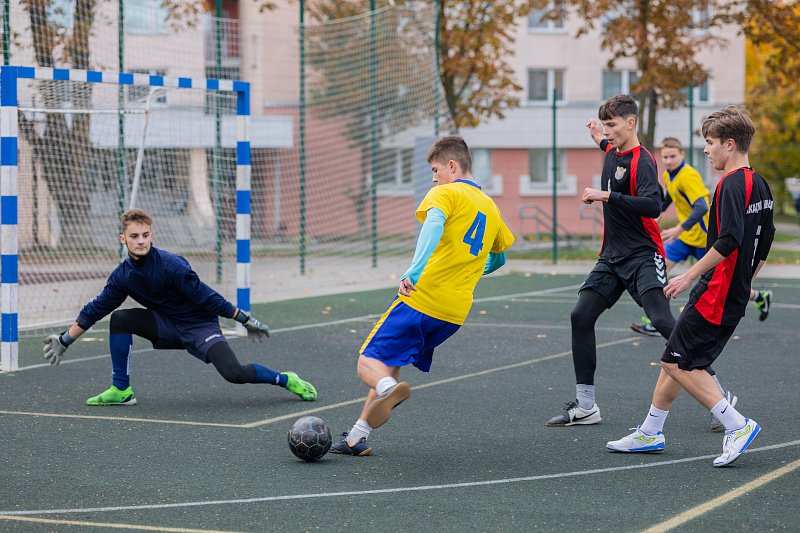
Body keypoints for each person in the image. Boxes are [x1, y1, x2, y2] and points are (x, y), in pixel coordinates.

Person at [546, 95, 734, 430]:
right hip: (611, 258)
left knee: (662, 322)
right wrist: (597, 134)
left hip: (644, 255)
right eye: (605, 125)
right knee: (580, 316)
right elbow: (606, 145)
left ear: (630, 123)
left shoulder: (643, 160)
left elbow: (653, 206)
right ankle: (586, 406)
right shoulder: (612, 151)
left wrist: (607, 196)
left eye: (612, 125)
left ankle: (719, 392)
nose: (607, 131)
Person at [607, 105, 774, 467]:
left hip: (716, 292)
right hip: (729, 290)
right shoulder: (759, 183)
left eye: (710, 143)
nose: (706, 149)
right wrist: (747, 280)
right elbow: (766, 239)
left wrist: (688, 275)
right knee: (674, 355)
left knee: (677, 361)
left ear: (730, 144)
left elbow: (729, 239)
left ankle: (736, 424)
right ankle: (651, 432)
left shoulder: (730, 184)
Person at [330, 135, 515, 456]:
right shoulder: (491, 207)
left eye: (435, 170)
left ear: (452, 166)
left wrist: (413, 271)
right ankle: (356, 438)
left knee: (367, 363)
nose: (433, 178)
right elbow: (499, 258)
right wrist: (469, 269)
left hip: (422, 299)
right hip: (454, 314)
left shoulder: (446, 193)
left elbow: (433, 225)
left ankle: (387, 390)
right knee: (390, 361)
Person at [42, 208, 317, 405]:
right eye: (134, 236)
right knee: (120, 318)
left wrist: (243, 318)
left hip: (200, 326)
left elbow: (206, 296)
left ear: (152, 235)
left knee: (234, 373)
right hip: (167, 326)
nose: (141, 241)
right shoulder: (122, 276)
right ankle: (121, 390)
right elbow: (96, 309)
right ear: (123, 239)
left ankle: (285, 379)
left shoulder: (171, 265)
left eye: (145, 235)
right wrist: (65, 340)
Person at [630, 138, 771, 336]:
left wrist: (679, 229)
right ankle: (657, 320)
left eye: (672, 156)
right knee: (658, 270)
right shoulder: (668, 175)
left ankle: (758, 297)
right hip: (685, 239)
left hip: (704, 240)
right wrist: (655, 213)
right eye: (665, 157)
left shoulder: (688, 176)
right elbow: (669, 198)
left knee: (727, 284)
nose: (668, 161)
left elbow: (701, 207)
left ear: (682, 155)